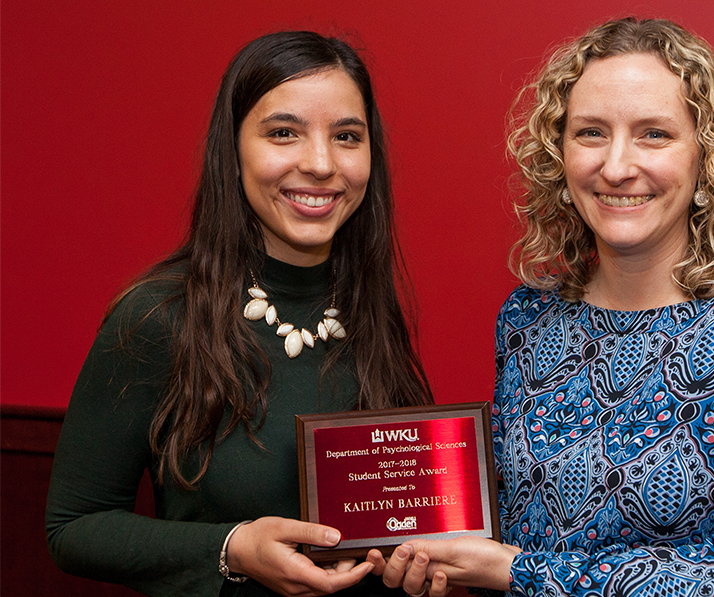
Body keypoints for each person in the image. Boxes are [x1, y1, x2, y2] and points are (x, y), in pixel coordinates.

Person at [374, 17, 714, 597]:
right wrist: (436, 558)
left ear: (706, 161)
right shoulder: (527, 319)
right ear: (559, 157)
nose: (616, 167)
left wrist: (516, 572)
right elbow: (515, 528)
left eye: (654, 135)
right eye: (590, 133)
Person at [46, 31, 433, 597]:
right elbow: (72, 528)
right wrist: (231, 549)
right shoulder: (156, 315)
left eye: (347, 136)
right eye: (284, 133)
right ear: (232, 150)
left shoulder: (371, 311)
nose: (322, 163)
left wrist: (417, 564)